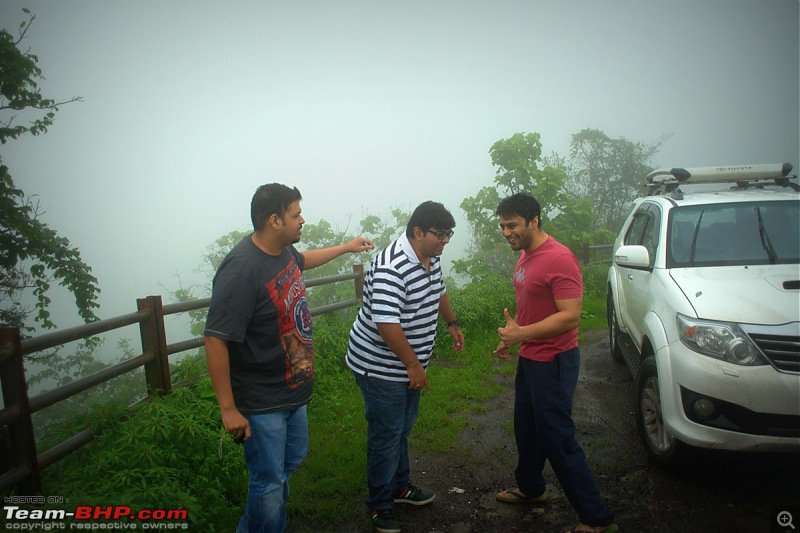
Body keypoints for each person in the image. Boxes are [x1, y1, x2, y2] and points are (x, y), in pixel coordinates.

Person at [203, 183, 374, 533]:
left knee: (289, 461)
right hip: (262, 398)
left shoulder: (282, 253)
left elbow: (305, 260)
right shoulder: (241, 270)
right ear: (274, 220)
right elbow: (215, 339)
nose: (303, 220)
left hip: (292, 391)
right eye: (296, 215)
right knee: (268, 481)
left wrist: (346, 247)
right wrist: (228, 409)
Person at [492, 193, 617, 533]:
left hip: (555, 360)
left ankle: (597, 518)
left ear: (534, 220)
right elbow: (531, 306)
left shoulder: (559, 259)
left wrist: (522, 334)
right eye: (502, 225)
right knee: (527, 429)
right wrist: (512, 336)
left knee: (557, 438)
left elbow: (570, 318)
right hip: (531, 357)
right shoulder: (525, 255)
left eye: (512, 225)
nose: (505, 232)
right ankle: (532, 489)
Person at [345, 201, 465, 533]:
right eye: (440, 235)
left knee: (401, 428)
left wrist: (452, 322)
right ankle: (380, 504)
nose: (444, 241)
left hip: (409, 365)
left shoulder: (430, 256)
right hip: (379, 367)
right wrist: (413, 364)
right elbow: (386, 324)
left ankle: (400, 487)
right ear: (417, 232)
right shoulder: (390, 267)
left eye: (448, 235)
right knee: (386, 433)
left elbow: (439, 290)